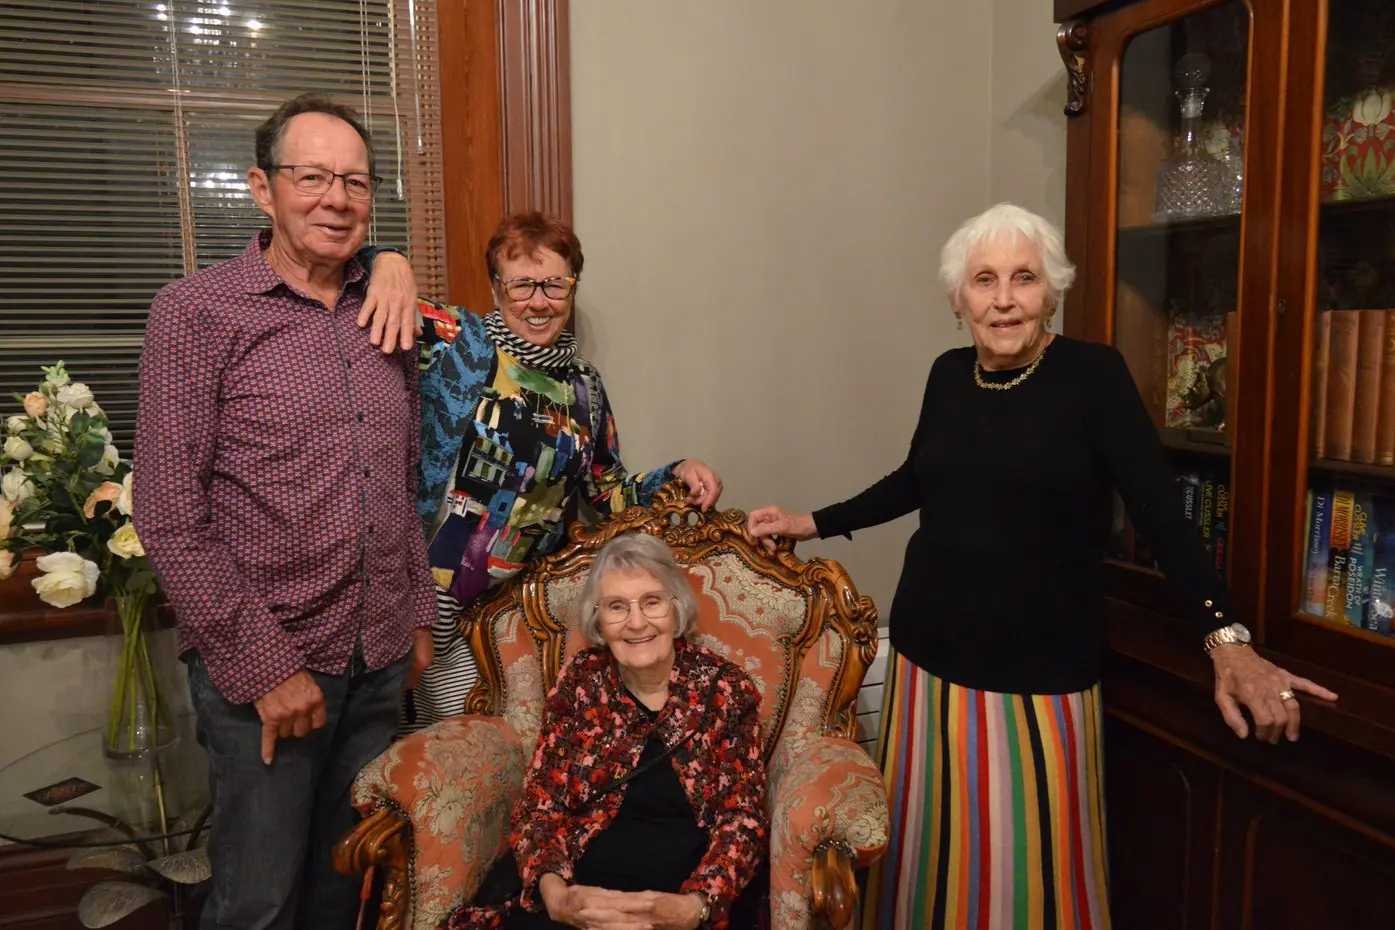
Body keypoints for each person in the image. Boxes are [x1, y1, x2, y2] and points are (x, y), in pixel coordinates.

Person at [745, 203, 1338, 930]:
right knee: (927, 862)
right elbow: (916, 480)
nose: (1002, 299)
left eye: (1022, 278)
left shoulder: (1093, 375)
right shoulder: (948, 373)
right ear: (955, 299)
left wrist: (1227, 640)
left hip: (1037, 675)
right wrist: (812, 522)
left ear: (1050, 291)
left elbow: (1159, 511)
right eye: (983, 280)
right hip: (926, 663)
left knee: (1030, 876)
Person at [133, 94, 436, 930]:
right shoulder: (197, 312)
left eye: (355, 182)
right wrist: (264, 666)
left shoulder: (386, 311)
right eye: (311, 178)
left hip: (376, 659)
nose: (335, 199)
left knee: (349, 886)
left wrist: (412, 616)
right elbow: (167, 511)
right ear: (262, 190)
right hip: (263, 668)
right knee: (258, 900)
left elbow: (400, 478)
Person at [358, 212, 724, 730]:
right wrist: (387, 258)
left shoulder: (585, 386)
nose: (538, 301)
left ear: (572, 286)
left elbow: (608, 491)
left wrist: (677, 471)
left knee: (508, 748)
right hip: (432, 599)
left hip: (524, 607)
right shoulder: (452, 341)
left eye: (554, 284)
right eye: (522, 284)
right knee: (435, 748)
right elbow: (345, 276)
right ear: (495, 286)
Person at [442, 533, 768, 930]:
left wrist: (695, 906)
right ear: (598, 619)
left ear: (676, 607)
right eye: (617, 606)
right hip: (581, 895)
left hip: (679, 902)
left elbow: (743, 819)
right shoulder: (582, 679)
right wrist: (556, 894)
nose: (636, 623)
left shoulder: (726, 688)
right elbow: (540, 806)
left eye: (651, 601)